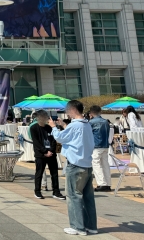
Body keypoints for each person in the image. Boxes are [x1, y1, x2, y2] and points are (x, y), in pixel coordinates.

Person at [50, 100, 97, 236]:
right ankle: (91, 226)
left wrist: (53, 127)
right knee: (88, 197)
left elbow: (59, 138)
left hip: (75, 164)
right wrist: (63, 125)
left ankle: (78, 227)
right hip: (87, 164)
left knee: (73, 196)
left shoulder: (75, 125)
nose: (67, 113)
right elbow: (73, 136)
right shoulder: (86, 124)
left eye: (67, 110)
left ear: (72, 110)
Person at [30, 110, 64, 200]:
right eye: (44, 117)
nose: (46, 119)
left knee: (54, 173)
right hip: (40, 154)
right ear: (39, 118)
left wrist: (51, 151)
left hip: (51, 154)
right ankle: (37, 191)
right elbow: (36, 142)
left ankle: (56, 191)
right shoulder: (33, 128)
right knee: (39, 173)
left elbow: (53, 140)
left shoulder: (49, 128)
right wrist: (45, 151)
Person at [88, 105, 112, 192]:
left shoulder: (91, 122)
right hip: (105, 145)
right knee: (105, 164)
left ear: (91, 113)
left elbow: (88, 134)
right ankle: (108, 184)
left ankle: (102, 184)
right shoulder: (105, 122)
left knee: (96, 164)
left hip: (96, 146)